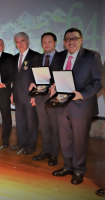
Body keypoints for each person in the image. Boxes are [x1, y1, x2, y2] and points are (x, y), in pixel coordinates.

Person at [51, 28, 102, 185]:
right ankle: (68, 166)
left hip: (81, 105)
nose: (71, 41)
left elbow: (98, 81)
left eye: (74, 38)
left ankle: (79, 170)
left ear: (81, 40)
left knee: (80, 140)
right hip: (61, 103)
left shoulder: (92, 56)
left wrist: (82, 94)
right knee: (65, 139)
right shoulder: (59, 56)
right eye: (67, 39)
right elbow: (54, 75)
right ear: (64, 42)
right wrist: (52, 84)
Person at [29, 32, 60, 166]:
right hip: (40, 97)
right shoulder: (37, 58)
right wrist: (32, 83)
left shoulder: (62, 57)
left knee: (55, 127)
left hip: (55, 97)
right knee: (44, 126)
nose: (46, 44)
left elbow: (66, 76)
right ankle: (45, 151)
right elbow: (33, 75)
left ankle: (54, 154)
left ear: (55, 42)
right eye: (44, 42)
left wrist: (56, 85)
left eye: (49, 42)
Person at [10, 32, 40, 155]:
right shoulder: (15, 57)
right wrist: (12, 93)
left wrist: (35, 95)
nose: (20, 44)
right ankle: (21, 142)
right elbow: (15, 78)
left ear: (27, 41)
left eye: (22, 41)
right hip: (18, 95)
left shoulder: (36, 56)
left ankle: (32, 144)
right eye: (17, 42)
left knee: (32, 122)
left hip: (30, 96)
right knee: (20, 121)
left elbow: (38, 78)